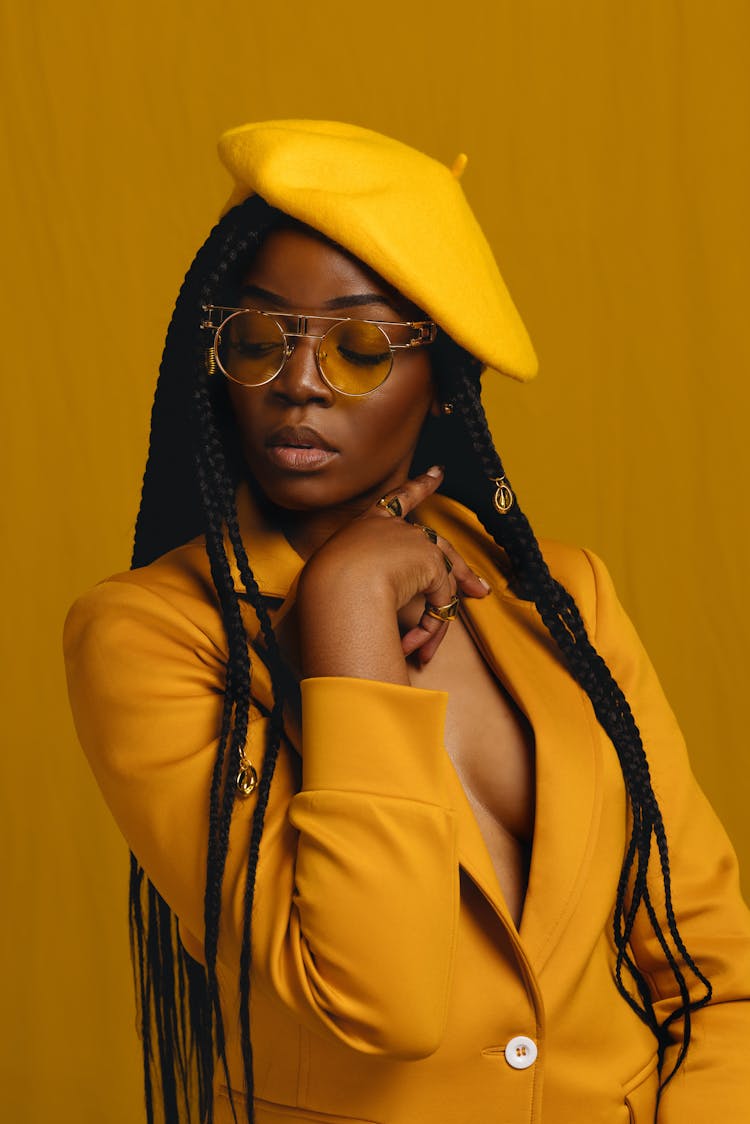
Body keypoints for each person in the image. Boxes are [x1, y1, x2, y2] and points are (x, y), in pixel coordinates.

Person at [63, 120, 750, 1124]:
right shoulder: (151, 636)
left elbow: (713, 974)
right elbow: (378, 999)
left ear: (443, 385)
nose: (299, 381)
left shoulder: (561, 595)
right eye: (259, 340)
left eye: (360, 345)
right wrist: (342, 604)